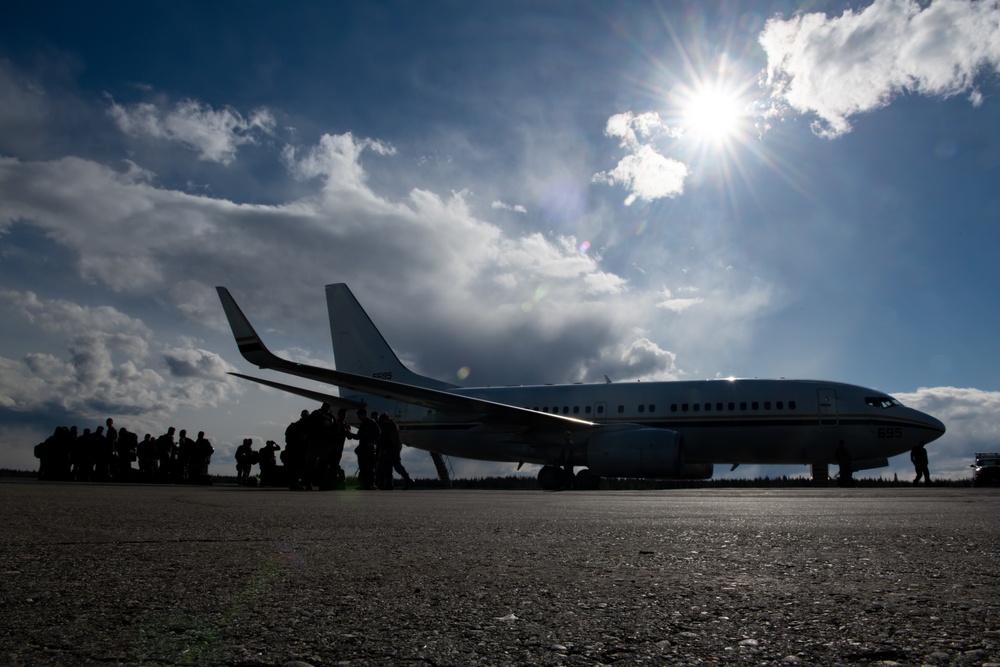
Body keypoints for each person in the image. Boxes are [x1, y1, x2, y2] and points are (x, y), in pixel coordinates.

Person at [376, 412, 413, 490]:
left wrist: (380, 446)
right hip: (396, 446)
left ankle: (389, 484)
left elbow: (384, 438)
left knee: (388, 466)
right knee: (397, 465)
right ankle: (408, 479)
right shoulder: (392, 424)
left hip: (391, 447)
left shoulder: (387, 425)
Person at [351, 408, 380, 490]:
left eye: (360, 415)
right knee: (362, 467)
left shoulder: (371, 422)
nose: (358, 417)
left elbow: (378, 432)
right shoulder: (363, 424)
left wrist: (372, 442)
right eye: (358, 415)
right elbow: (358, 436)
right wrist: (348, 434)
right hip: (363, 448)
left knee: (369, 467)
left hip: (369, 449)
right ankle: (363, 484)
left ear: (364, 414)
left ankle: (371, 484)